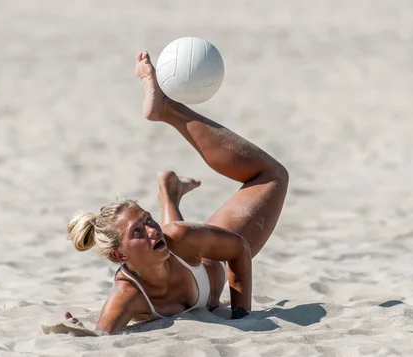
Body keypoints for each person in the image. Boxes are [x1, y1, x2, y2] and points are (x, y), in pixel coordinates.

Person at [63, 51, 289, 336]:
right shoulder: (128, 294)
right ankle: (169, 192)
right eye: (137, 232)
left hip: (212, 259)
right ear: (121, 254)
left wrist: (241, 315)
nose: (151, 230)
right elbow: (100, 338)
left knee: (271, 176)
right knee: (175, 237)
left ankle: (168, 110)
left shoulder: (177, 236)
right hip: (190, 254)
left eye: (147, 220)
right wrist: (73, 329)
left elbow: (239, 249)